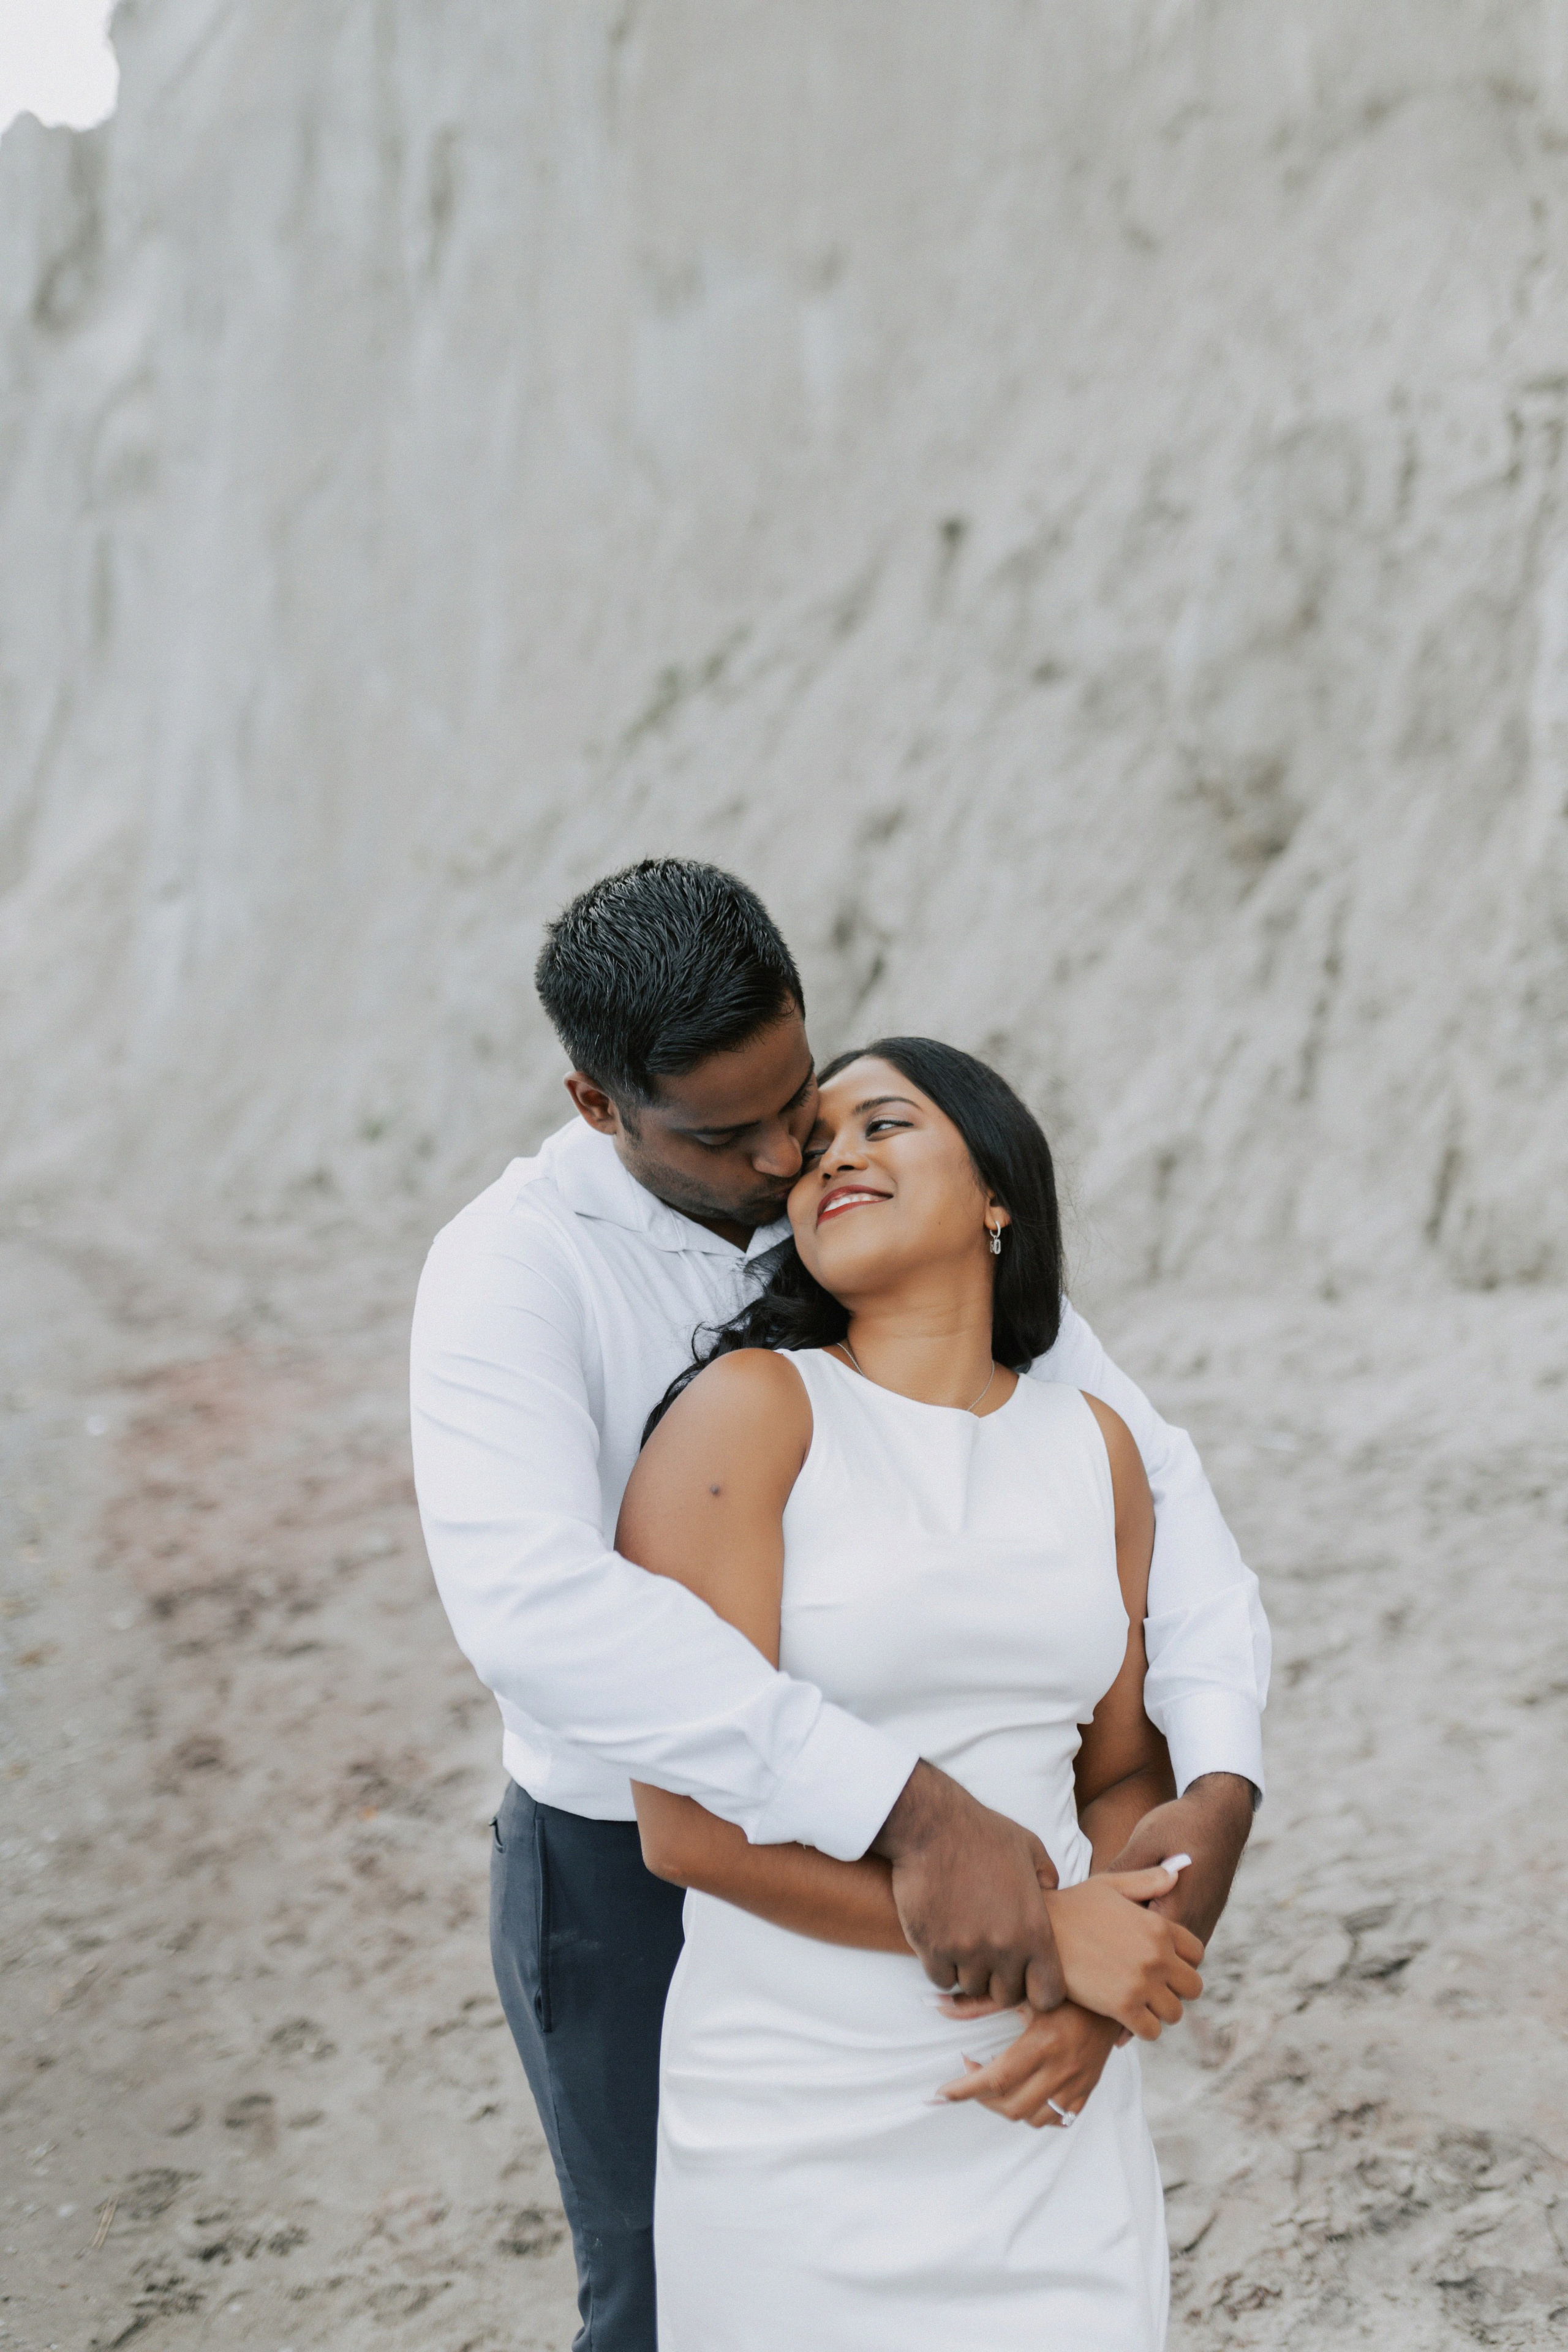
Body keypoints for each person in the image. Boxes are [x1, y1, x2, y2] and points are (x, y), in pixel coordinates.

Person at [409, 859, 1266, 2352]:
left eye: (794, 1102)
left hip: (1004, 1882)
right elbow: (537, 1612)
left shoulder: (872, 1211)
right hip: (628, 1870)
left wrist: (1215, 1793)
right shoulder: (511, 1272)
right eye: (724, 1134)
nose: (777, 1162)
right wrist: (908, 1808)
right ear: (597, 1106)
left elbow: (1162, 1510)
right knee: (659, 2294)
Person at [624, 1036, 1206, 2346]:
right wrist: (1053, 1941)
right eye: (814, 1146)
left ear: (997, 1188)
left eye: (883, 1124)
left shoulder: (1091, 1446)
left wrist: (1091, 2007)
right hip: (797, 2107)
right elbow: (686, 1828)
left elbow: (1118, 1766)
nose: (835, 1156)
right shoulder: (749, 1413)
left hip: (1044, 2084)